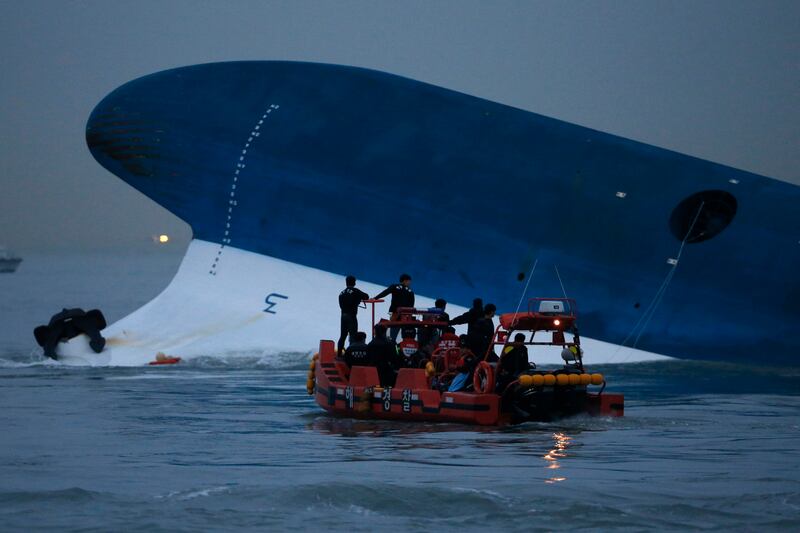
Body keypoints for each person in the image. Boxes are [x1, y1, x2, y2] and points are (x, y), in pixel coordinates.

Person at [374, 273, 415, 341]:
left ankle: (391, 342)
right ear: (404, 280)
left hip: (394, 313)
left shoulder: (394, 286)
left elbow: (385, 292)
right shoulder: (410, 291)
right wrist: (409, 315)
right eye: (409, 281)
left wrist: (375, 298)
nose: (410, 283)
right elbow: (411, 305)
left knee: (393, 329)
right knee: (405, 332)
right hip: (405, 315)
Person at [338, 275, 369, 355]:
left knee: (342, 336)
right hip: (351, 316)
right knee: (353, 336)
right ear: (354, 283)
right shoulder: (355, 291)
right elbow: (366, 296)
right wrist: (357, 299)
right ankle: (350, 354)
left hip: (343, 316)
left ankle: (339, 354)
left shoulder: (341, 293)